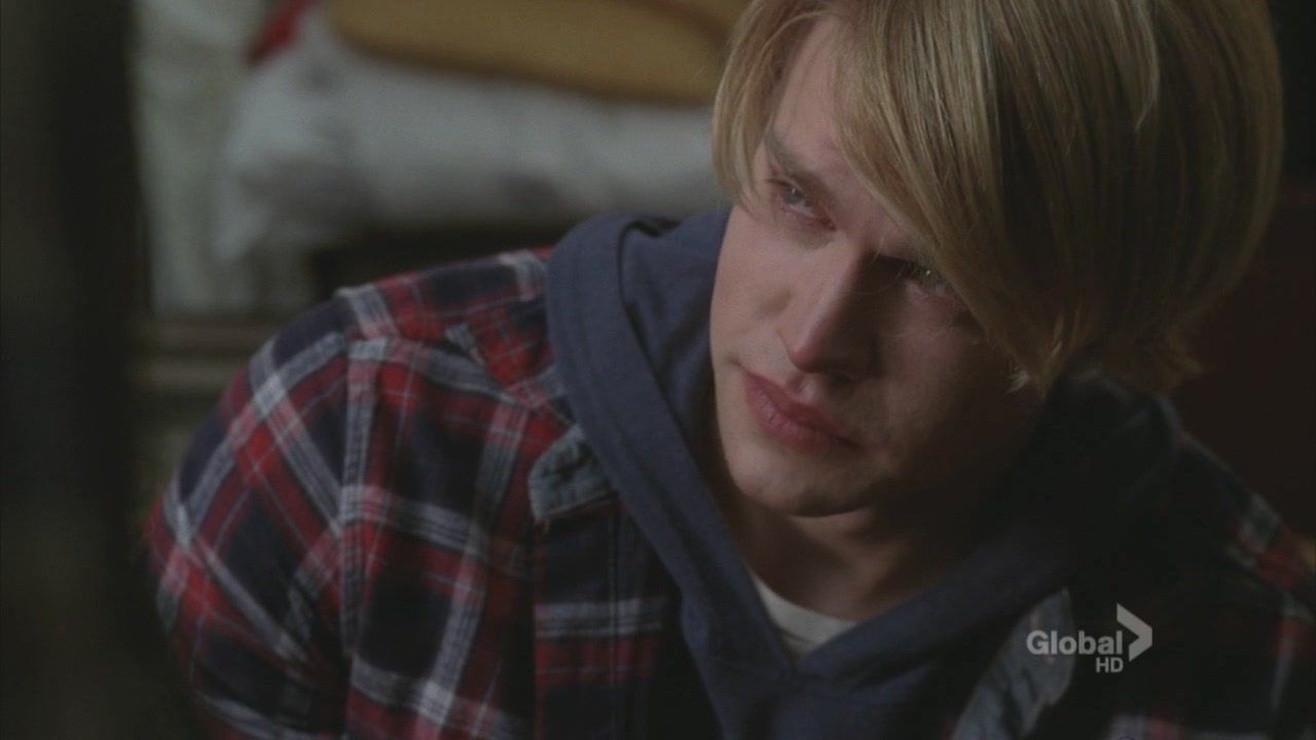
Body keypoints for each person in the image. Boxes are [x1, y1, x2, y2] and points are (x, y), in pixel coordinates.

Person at [144, 0, 1315, 737]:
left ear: (1111, 300)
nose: (810, 338)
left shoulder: (1220, 637)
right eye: (796, 198)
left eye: (936, 276)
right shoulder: (357, 433)